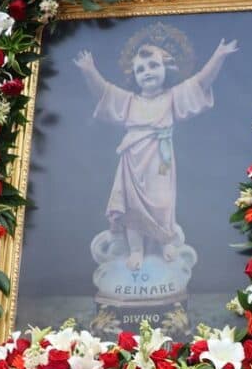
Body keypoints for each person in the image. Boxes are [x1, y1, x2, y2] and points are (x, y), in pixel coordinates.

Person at [74, 27, 238, 271]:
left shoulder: (172, 97)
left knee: (163, 201)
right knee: (131, 206)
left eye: (153, 66)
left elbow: (200, 82)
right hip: (132, 161)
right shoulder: (129, 101)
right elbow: (104, 92)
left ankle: (165, 242)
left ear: (166, 69)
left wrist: (219, 55)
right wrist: (89, 71)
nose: (146, 72)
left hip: (161, 161)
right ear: (134, 76)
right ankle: (136, 249)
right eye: (140, 69)